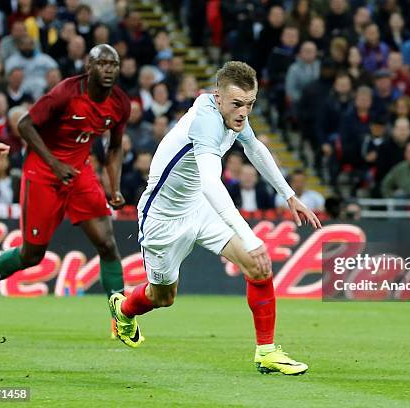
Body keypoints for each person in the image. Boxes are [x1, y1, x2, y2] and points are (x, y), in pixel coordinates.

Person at [109, 61, 320, 376]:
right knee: (163, 297)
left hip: (200, 208)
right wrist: (251, 237)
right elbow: (211, 184)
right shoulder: (206, 122)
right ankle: (123, 308)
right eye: (237, 104)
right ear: (217, 97)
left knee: (259, 266)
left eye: (249, 105)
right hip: (164, 219)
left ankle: (266, 352)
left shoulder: (232, 114)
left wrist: (288, 194)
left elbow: (255, 148)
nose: (243, 112)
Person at [0, 45, 131, 335]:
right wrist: (54, 164)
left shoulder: (120, 103)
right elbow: (25, 125)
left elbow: (113, 147)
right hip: (42, 173)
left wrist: (113, 187)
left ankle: (121, 317)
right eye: (101, 64)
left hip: (79, 173)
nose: (108, 69)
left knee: (107, 244)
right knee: (32, 255)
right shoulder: (66, 93)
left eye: (113, 64)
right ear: (88, 68)